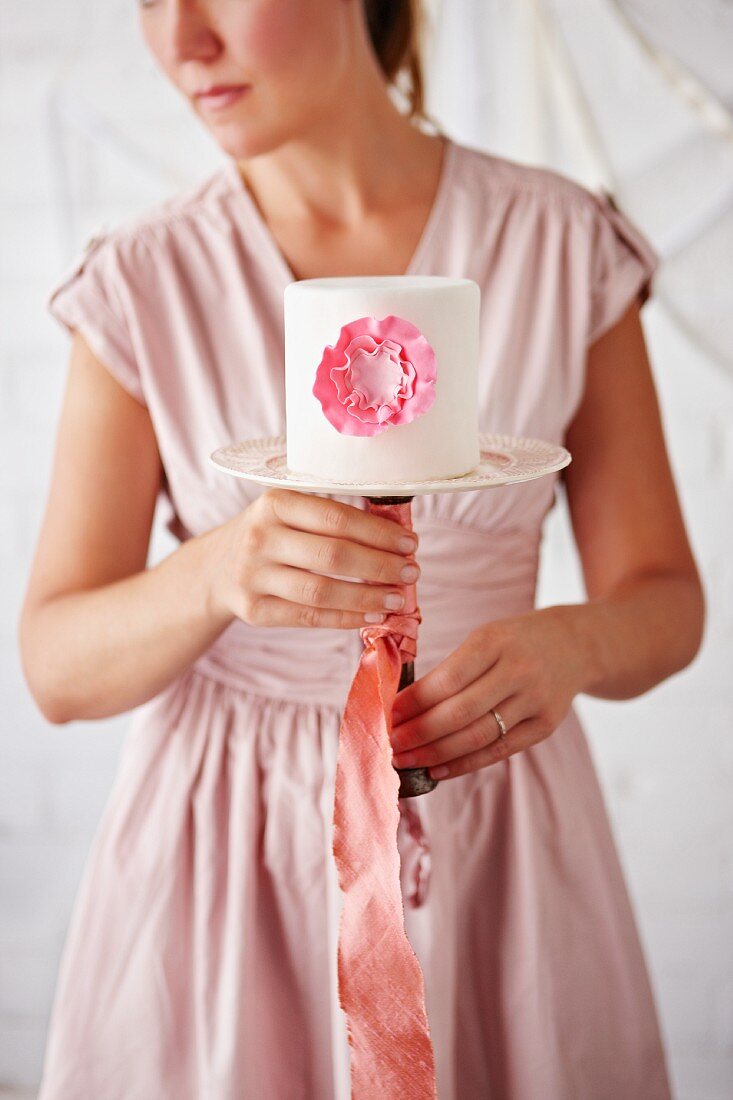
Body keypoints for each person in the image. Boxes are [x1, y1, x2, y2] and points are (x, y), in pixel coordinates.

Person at [18, 1, 704, 1097]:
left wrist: (572, 645)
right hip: (225, 862)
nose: (180, 41)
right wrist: (216, 570)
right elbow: (53, 666)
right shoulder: (147, 282)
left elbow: (665, 599)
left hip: (505, 846)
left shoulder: (558, 243)